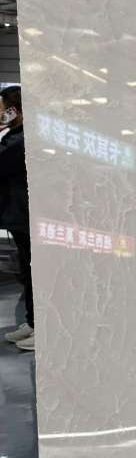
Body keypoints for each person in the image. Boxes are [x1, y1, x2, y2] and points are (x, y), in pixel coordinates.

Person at [0, 86, 32, 352]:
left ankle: (40, 326)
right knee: (27, 271)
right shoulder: (16, 135)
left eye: (2, 110)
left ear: (15, 110)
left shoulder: (21, 139)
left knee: (32, 273)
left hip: (25, 216)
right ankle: (33, 322)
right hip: (18, 215)